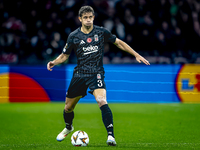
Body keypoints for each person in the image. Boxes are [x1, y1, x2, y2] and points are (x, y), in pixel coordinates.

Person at [47, 6, 150, 146]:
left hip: (96, 74)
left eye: (90, 17)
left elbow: (118, 43)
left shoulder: (101, 32)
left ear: (93, 17)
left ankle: (111, 136)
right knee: (68, 108)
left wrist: (136, 55)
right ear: (80, 19)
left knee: (101, 100)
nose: (88, 20)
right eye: (85, 18)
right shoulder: (73, 36)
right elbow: (65, 55)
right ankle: (68, 127)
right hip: (79, 75)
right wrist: (54, 62)